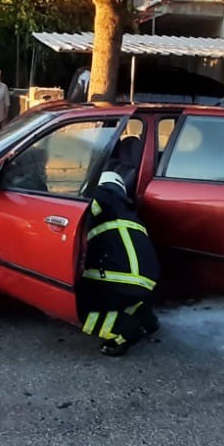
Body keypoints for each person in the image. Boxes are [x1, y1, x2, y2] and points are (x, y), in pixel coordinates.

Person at [77, 138, 160, 356]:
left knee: (80, 307)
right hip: (144, 280)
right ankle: (146, 318)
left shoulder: (102, 197)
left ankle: (126, 330)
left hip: (121, 278)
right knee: (121, 298)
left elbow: (80, 217)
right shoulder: (128, 210)